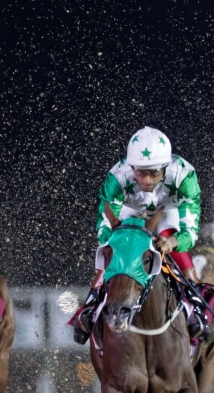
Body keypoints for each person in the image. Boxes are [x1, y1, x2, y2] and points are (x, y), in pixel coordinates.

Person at [72, 126, 206, 344]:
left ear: (166, 167)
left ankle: (195, 303)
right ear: (131, 166)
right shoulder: (117, 176)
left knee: (178, 250)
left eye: (154, 172)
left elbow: (190, 231)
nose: (147, 181)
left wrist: (173, 242)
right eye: (140, 172)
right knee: (115, 253)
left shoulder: (184, 174)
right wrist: (120, 240)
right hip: (129, 217)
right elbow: (104, 227)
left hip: (166, 214)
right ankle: (91, 303)